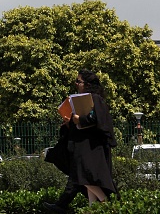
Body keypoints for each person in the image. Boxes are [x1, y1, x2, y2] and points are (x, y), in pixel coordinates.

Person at [44, 69, 117, 213]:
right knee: (85, 178)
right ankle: (93, 209)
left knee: (84, 177)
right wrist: (69, 123)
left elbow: (99, 121)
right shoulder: (80, 99)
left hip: (91, 148)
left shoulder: (95, 99)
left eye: (79, 81)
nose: (76, 84)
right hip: (83, 146)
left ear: (88, 84)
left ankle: (105, 202)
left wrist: (79, 120)